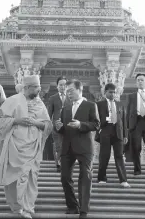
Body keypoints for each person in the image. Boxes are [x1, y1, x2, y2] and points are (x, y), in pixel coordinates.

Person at [0, 75, 52, 219]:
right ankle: (16, 206)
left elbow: (47, 125)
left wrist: (35, 123)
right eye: (35, 88)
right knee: (14, 178)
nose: (38, 91)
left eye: (39, 88)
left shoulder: (40, 104)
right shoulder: (12, 101)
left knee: (31, 177)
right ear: (26, 88)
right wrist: (16, 120)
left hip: (33, 147)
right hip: (14, 146)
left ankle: (27, 207)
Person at [55, 79, 100, 219]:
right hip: (67, 148)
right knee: (64, 177)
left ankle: (84, 210)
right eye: (67, 91)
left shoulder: (90, 105)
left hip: (85, 147)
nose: (68, 94)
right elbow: (64, 130)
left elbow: (96, 125)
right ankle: (73, 206)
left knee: (85, 177)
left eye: (71, 91)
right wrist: (59, 128)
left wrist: (81, 124)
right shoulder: (65, 108)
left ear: (80, 90)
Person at [96, 83, 130, 187]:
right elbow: (95, 119)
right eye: (110, 92)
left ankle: (123, 180)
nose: (113, 94)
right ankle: (101, 178)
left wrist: (125, 135)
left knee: (119, 156)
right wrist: (99, 129)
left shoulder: (120, 104)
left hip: (118, 133)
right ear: (105, 92)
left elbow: (124, 121)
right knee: (104, 156)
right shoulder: (99, 104)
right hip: (105, 131)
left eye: (114, 92)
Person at [126, 73, 145, 179]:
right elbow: (128, 113)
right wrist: (127, 126)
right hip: (136, 123)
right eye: (138, 80)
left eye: (142, 80)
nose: (140, 82)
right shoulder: (131, 96)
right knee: (136, 147)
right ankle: (137, 169)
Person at [47, 76, 69, 172]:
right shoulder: (53, 98)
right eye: (60, 85)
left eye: (65, 85)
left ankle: (66, 163)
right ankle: (58, 164)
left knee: (67, 145)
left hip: (69, 126)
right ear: (57, 86)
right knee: (58, 145)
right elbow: (49, 113)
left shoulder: (71, 97)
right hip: (56, 126)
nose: (63, 87)